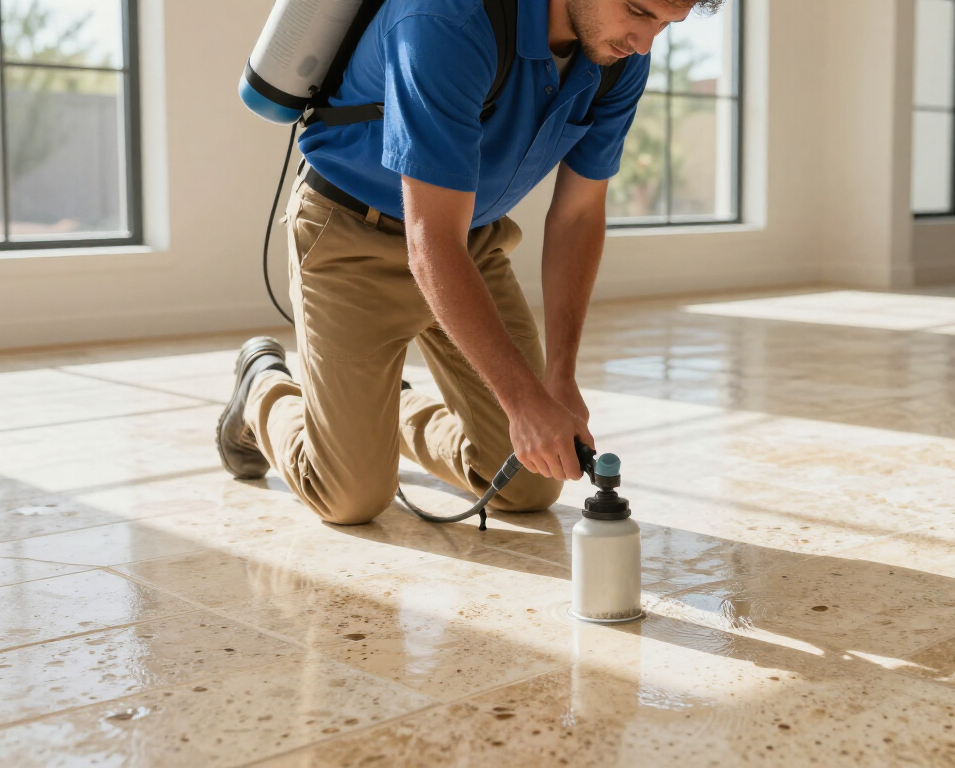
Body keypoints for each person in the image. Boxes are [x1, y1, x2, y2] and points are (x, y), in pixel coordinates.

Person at [216, 0, 718, 525]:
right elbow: (430, 237)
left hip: (470, 241)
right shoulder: (445, 19)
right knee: (349, 499)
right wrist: (522, 404)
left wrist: (558, 379)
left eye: (665, 24)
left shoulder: (618, 56)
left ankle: (388, 405)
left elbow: (578, 215)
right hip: (352, 233)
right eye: (638, 11)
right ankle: (263, 386)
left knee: (533, 480)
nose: (644, 42)